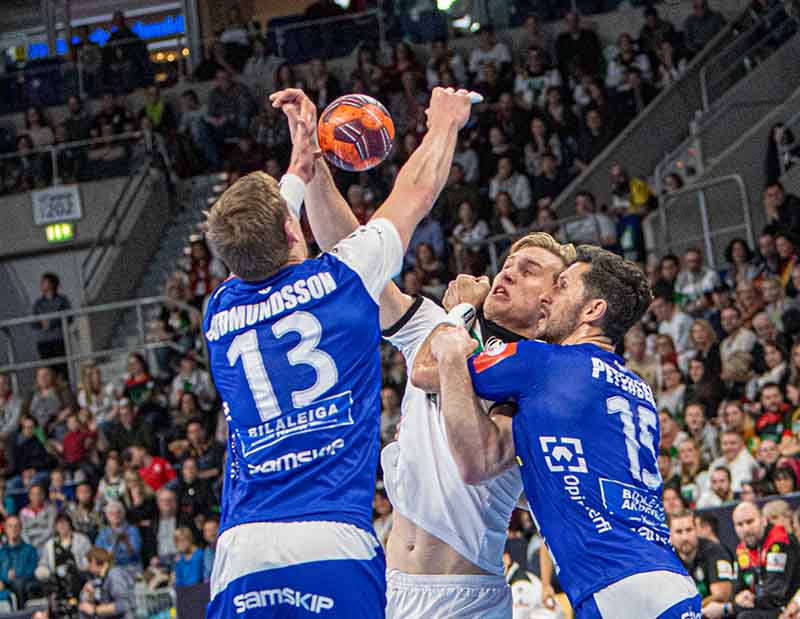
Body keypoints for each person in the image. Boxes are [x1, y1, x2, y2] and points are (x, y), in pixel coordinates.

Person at [291, 85, 576, 618]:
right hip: (391, 590)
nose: (509, 271)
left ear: (552, 300)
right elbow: (354, 263)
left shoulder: (546, 378)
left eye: (530, 270)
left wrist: (459, 325)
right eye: (510, 262)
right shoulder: (437, 322)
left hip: (464, 596)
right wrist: (312, 171)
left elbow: (483, 459)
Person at [203, 86, 475, 618]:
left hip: (241, 550)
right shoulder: (342, 279)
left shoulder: (219, 311)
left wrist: (300, 168)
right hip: (331, 538)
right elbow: (416, 190)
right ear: (290, 228)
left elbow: (253, 241)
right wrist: (445, 123)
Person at [431, 246, 701, 617]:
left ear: (592, 310)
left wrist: (463, 311)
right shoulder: (637, 389)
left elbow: (433, 367)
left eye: (561, 287)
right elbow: (573, 478)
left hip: (616, 587)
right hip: (663, 579)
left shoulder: (543, 363)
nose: (547, 296)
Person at [703, 501, 800, 618]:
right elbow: (737, 590)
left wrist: (730, 607)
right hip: (762, 605)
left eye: (750, 522)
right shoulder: (742, 550)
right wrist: (739, 598)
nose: (746, 529)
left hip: (787, 607)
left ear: (763, 520)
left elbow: (774, 596)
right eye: (740, 524)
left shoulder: (779, 543)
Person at [668, 511, 734, 607]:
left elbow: (722, 595)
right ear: (670, 536)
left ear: (696, 531)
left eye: (689, 530)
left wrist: (691, 610)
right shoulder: (667, 558)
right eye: (679, 532)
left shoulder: (716, 551)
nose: (685, 537)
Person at [78, 547, 135, 619]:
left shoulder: (114, 575)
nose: (87, 567)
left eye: (88, 563)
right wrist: (91, 595)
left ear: (93, 561)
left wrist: (95, 610)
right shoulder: (96, 578)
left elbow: (124, 604)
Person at [32, 273, 71, 369]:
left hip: (59, 339)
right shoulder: (38, 303)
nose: (41, 285)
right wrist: (41, 323)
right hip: (44, 341)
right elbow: (33, 322)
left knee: (62, 366)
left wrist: (52, 322)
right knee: (48, 368)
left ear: (52, 284)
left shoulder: (62, 300)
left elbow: (69, 317)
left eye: (44, 282)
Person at [0, 515, 39, 607]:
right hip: (5, 584)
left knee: (19, 583)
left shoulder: (30, 550)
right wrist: (6, 575)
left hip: (23, 584)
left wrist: (16, 574)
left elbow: (32, 570)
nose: (13, 529)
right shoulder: (1, 552)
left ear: (21, 529)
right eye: (10, 526)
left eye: (16, 526)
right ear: (5, 529)